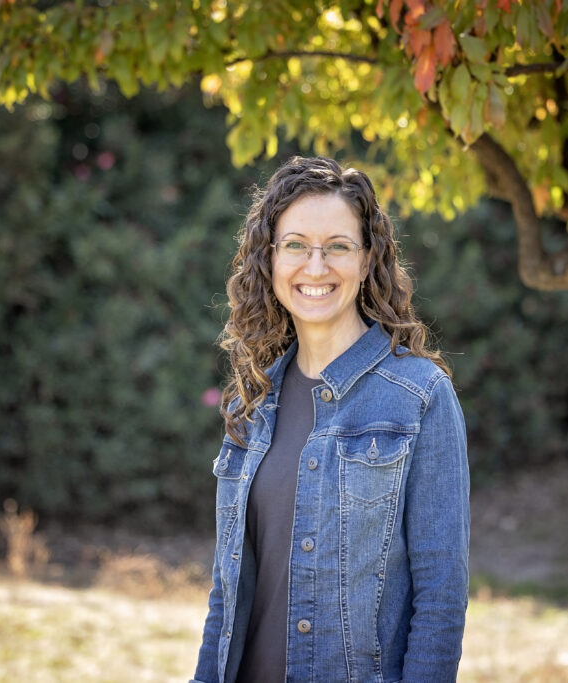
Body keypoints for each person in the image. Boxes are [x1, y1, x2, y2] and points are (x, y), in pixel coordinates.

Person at [192, 156, 469, 683]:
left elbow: (440, 600)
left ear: (367, 261)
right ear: (269, 260)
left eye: (338, 246)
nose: (314, 267)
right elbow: (226, 596)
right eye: (295, 245)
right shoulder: (253, 403)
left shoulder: (419, 397)